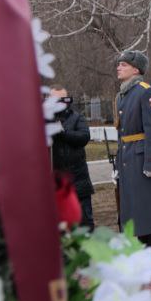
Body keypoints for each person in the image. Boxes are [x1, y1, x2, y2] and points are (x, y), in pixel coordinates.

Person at [114, 50, 151, 252]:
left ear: (136, 69)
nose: (118, 67)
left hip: (142, 161)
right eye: (119, 64)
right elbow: (122, 134)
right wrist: (117, 164)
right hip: (127, 160)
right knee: (134, 215)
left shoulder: (146, 91)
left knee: (150, 215)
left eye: (123, 64)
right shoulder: (123, 95)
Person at [49, 85, 94, 230]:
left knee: (85, 225)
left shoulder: (76, 117)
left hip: (78, 180)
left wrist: (63, 133)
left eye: (63, 99)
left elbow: (84, 137)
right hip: (56, 183)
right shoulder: (43, 120)